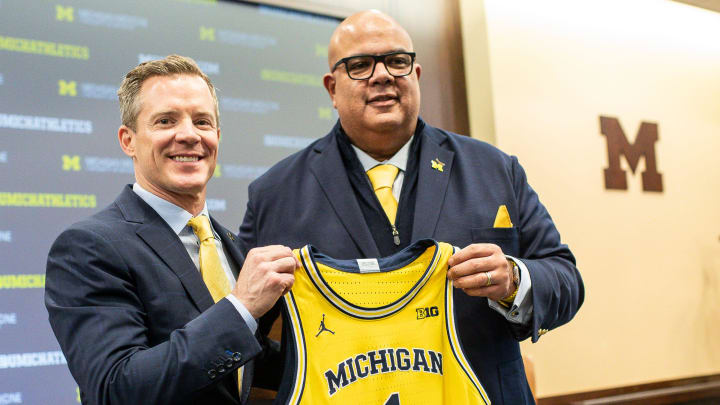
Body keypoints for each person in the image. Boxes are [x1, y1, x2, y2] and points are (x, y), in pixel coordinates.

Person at [238, 10, 584, 404]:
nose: (382, 75)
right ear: (332, 89)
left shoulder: (494, 169)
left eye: (397, 61)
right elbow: (244, 327)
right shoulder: (274, 194)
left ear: (415, 76)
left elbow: (566, 279)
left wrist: (513, 280)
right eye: (360, 65)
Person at [45, 55, 296, 405]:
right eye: (165, 121)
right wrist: (242, 307)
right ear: (127, 140)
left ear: (217, 137)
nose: (189, 135)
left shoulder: (233, 247)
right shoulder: (87, 248)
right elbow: (117, 386)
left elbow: (243, 364)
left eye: (202, 122)